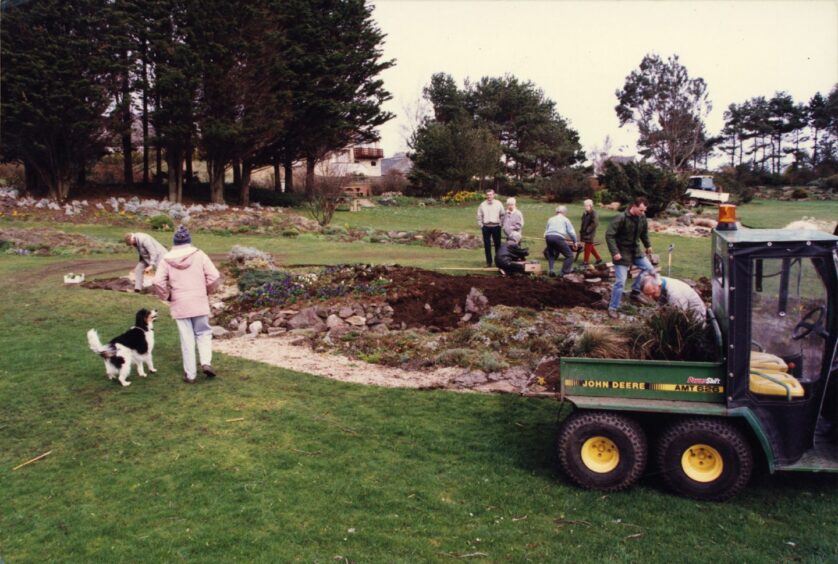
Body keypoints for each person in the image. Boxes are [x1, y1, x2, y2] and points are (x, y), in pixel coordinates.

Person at [153, 225, 221, 383]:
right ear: (189, 241)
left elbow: (157, 282)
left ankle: (190, 374)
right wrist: (206, 291)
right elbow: (214, 277)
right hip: (198, 300)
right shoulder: (199, 254)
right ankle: (205, 362)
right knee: (203, 333)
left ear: (174, 242)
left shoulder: (166, 258)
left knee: (187, 338)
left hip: (180, 302)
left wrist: (167, 296)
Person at [605, 196, 655, 319]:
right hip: (621, 253)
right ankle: (613, 308)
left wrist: (648, 245)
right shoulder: (621, 218)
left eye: (644, 211)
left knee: (649, 269)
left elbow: (644, 233)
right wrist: (615, 252)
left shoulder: (642, 218)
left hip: (636, 251)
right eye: (641, 210)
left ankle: (635, 292)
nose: (643, 213)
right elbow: (609, 235)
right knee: (620, 282)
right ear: (633, 206)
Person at [638, 273, 706, 319]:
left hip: (695, 316)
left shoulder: (675, 294)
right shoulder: (659, 282)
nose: (650, 297)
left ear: (659, 286)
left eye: (652, 293)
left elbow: (679, 317)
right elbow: (662, 307)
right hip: (680, 310)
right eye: (647, 295)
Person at [544, 205, 578, 277]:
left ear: (557, 212)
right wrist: (575, 242)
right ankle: (564, 272)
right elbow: (571, 232)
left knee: (551, 254)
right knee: (569, 256)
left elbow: (546, 230)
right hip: (558, 237)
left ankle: (551, 270)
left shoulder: (551, 219)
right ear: (564, 212)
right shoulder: (565, 220)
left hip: (548, 237)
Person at [477, 189, 505, 267]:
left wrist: (500, 224)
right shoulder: (482, 204)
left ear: (493, 195)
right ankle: (489, 263)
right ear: (486, 195)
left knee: (497, 245)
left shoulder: (498, 203)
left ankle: (498, 262)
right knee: (487, 245)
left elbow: (503, 214)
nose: (489, 196)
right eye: (488, 195)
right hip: (486, 227)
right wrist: (481, 225)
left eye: (490, 194)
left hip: (496, 227)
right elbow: (479, 216)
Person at [580, 199, 602, 267]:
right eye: (584, 205)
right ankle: (598, 258)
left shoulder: (594, 213)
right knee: (589, 246)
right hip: (585, 232)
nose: (585, 207)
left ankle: (585, 261)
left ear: (590, 206)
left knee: (588, 245)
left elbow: (595, 223)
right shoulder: (585, 213)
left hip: (590, 233)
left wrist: (588, 230)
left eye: (586, 205)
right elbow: (583, 222)